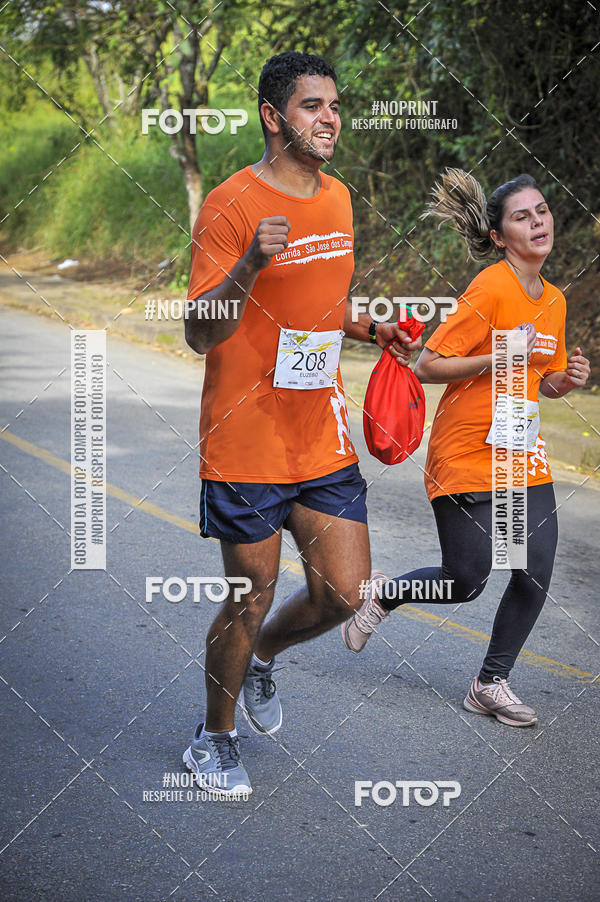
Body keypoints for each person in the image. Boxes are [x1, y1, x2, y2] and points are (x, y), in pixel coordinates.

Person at [182, 51, 420, 796]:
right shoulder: (230, 204)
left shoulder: (341, 200)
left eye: (334, 106)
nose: (330, 119)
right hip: (246, 438)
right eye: (313, 105)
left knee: (345, 593)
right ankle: (212, 740)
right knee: (250, 593)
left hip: (319, 433)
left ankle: (261, 661)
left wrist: (369, 328)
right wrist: (250, 261)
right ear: (272, 116)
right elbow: (197, 332)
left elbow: (318, 305)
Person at [342, 168, 591, 727]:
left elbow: (540, 379)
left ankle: (490, 683)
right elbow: (427, 364)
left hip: (521, 452)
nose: (538, 221)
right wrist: (501, 356)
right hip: (466, 451)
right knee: (467, 579)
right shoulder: (492, 286)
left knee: (535, 571)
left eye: (542, 210)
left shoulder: (553, 300)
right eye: (522, 216)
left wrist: (565, 381)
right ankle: (385, 594)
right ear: (501, 236)